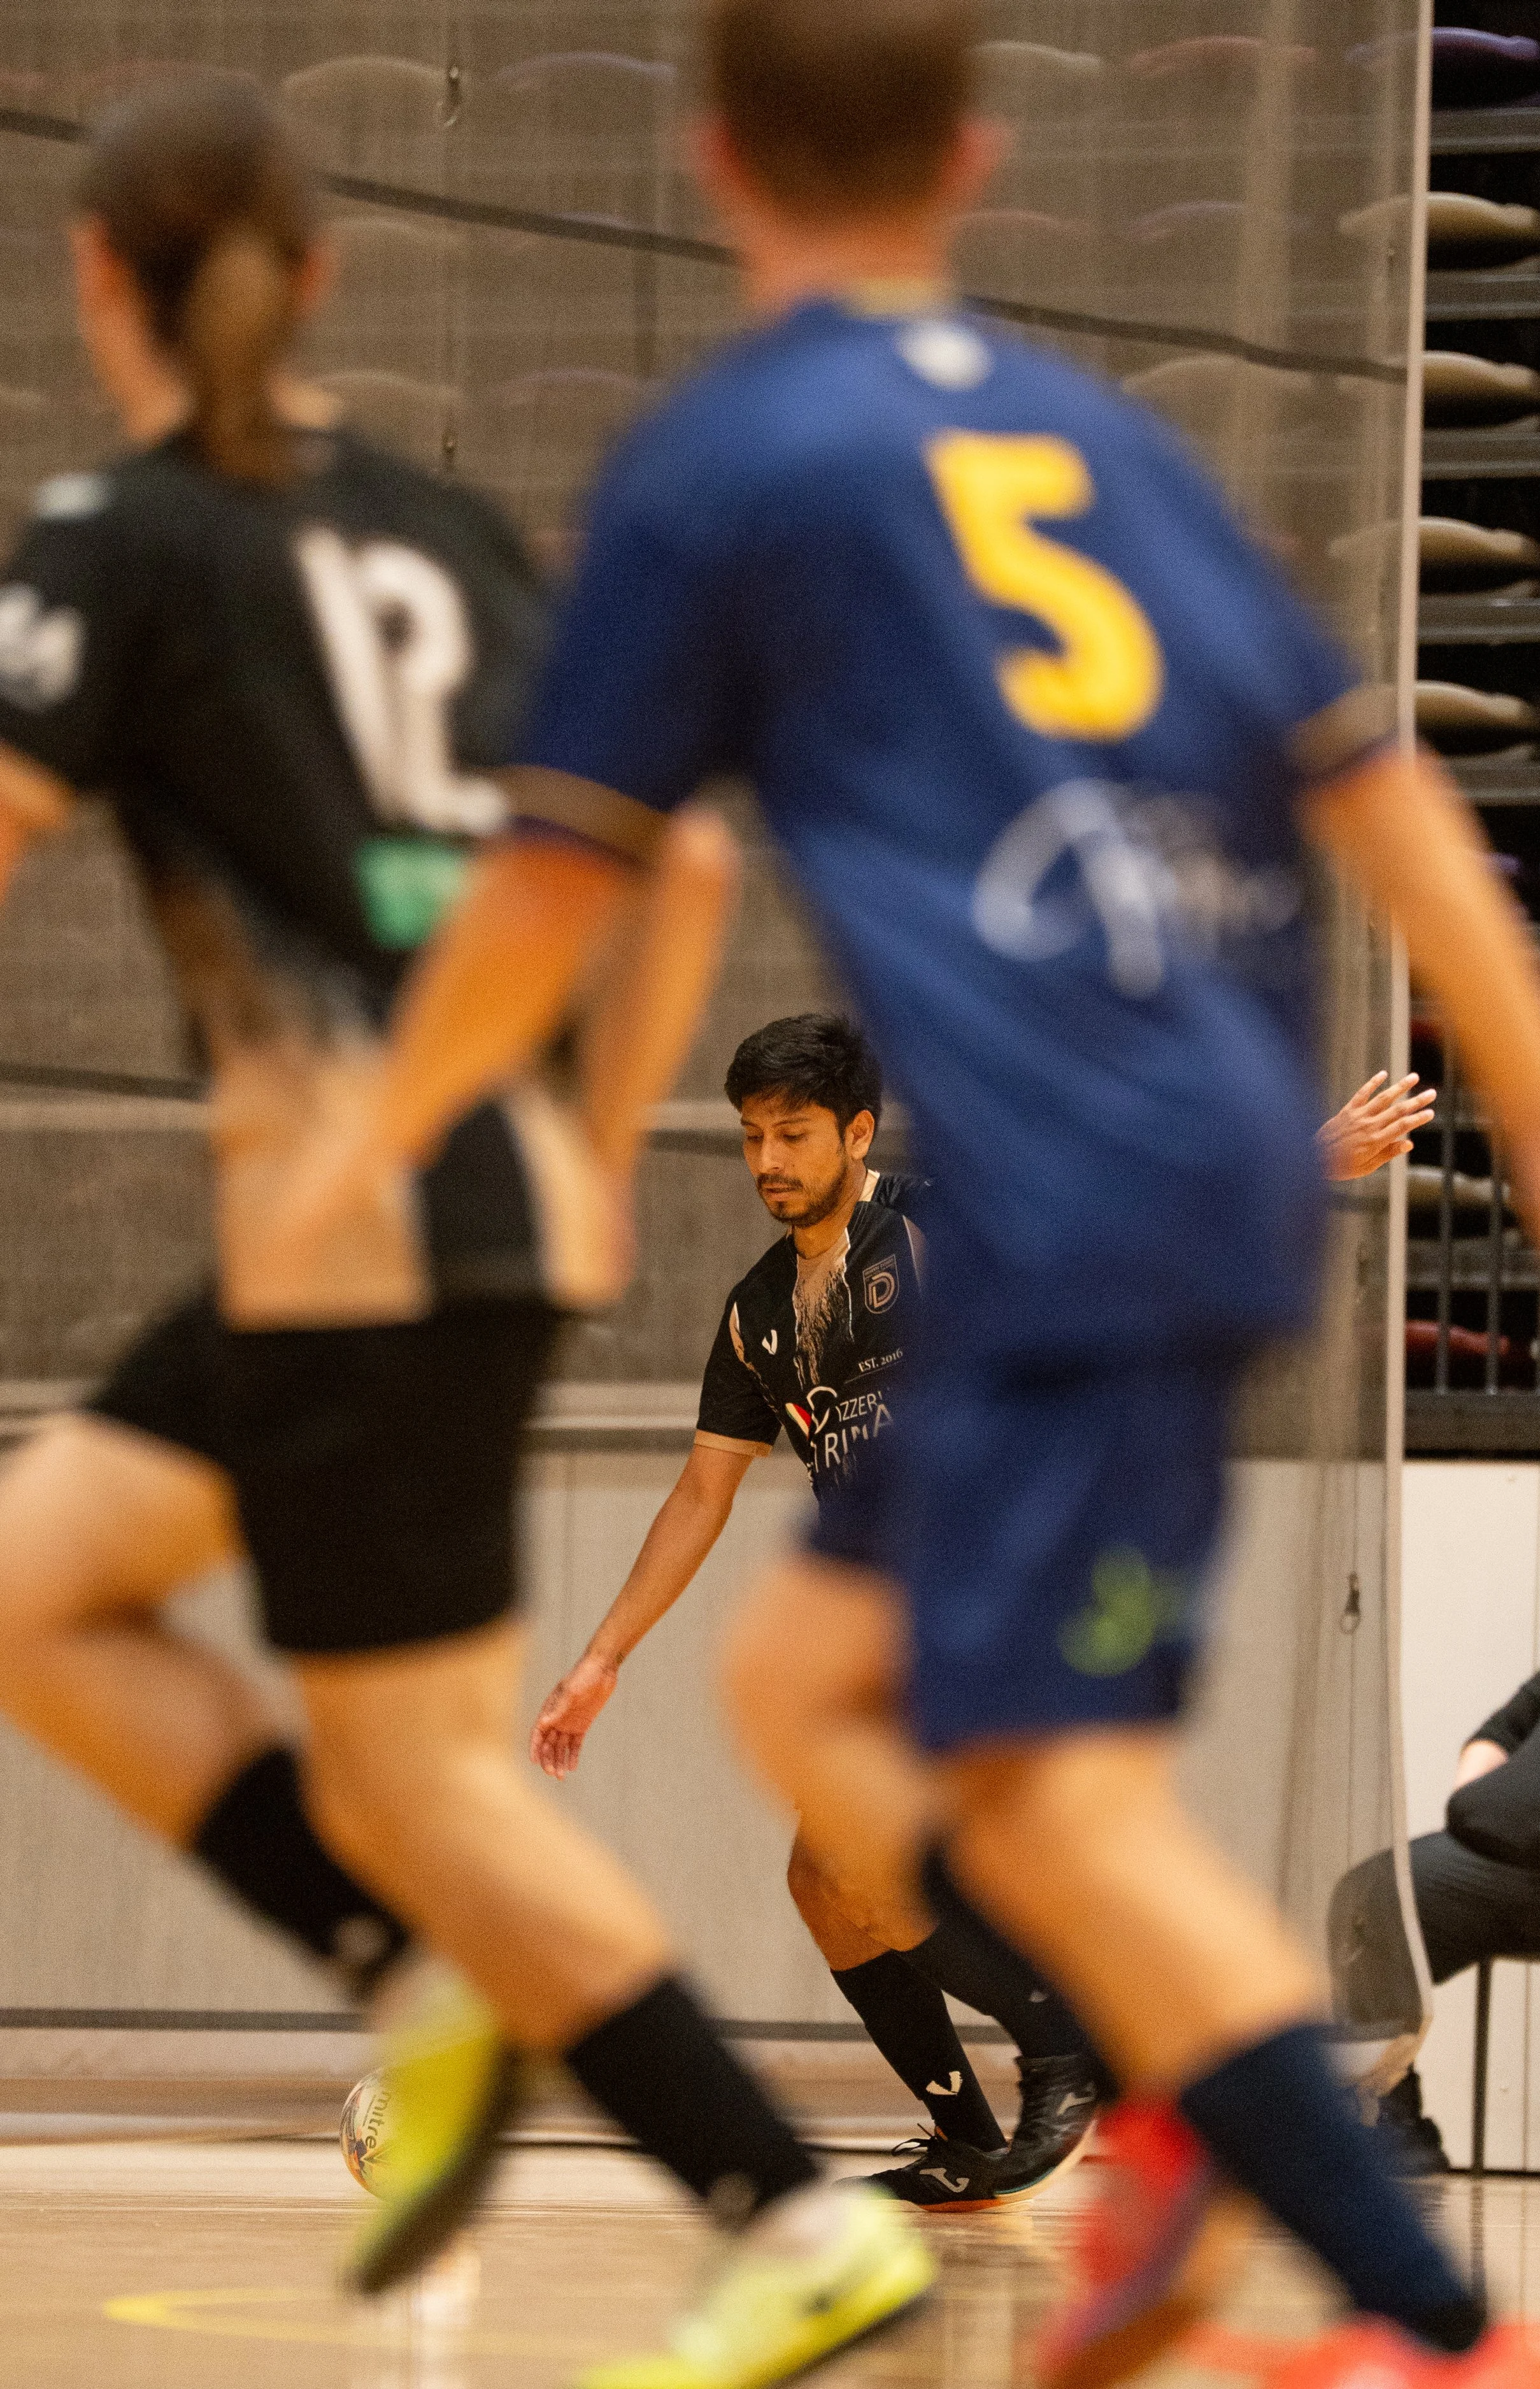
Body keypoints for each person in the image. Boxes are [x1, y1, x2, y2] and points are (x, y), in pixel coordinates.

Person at [279, 2, 1540, 2384]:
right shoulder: (1099, 440)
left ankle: (1396, 2293)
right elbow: (1379, 789)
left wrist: (400, 1146)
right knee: (832, 1697)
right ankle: (1202, 2184)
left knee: (1038, 1805)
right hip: (1186, 1159)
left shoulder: (730, 461)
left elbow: (569, 880)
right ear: (979, 156)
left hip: (1074, 1198)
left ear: (711, 153)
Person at [0, 73, 935, 2380]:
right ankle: (454, 2007)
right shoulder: (441, 525)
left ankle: (773, 2205)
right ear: (318, 283)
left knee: (415, 1787)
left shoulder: (118, 531)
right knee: (41, 1581)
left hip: (350, 1221)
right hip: (478, 1203)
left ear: (97, 280)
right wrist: (601, 1154)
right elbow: (681, 861)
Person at [535, 1010, 1116, 2210]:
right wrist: (602, 1657)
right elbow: (703, 1493)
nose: (766, 1160)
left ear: (856, 1132)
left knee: (866, 1846)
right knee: (826, 1881)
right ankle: (966, 2134)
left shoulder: (935, 1228)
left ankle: (1068, 2038)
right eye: (751, 1136)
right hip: (881, 1616)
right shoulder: (756, 1314)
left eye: (792, 1133)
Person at [1335, 1640, 1540, 2181]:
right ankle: (1389, 2118)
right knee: (1372, 1895)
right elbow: (1498, 1734)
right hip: (1487, 1857)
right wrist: (1479, 1805)